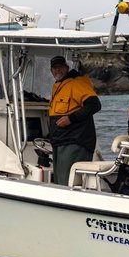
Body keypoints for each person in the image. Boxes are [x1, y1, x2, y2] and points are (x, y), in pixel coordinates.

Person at [48, 55, 101, 185]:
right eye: (55, 68)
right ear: (51, 71)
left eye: (60, 67)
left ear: (66, 68)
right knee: (60, 181)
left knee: (69, 182)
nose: (57, 71)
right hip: (61, 140)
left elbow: (94, 105)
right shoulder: (59, 85)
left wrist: (71, 118)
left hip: (75, 140)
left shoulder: (77, 82)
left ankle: (68, 204)